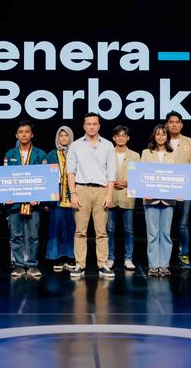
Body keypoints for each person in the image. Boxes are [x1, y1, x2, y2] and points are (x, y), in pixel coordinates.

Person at [67, 112, 116, 279]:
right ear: (84, 126)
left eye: (95, 123)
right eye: (89, 124)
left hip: (102, 190)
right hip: (81, 189)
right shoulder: (75, 145)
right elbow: (71, 172)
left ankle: (102, 264)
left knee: (101, 231)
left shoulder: (108, 145)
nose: (92, 127)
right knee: (80, 231)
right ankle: (80, 264)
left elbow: (111, 173)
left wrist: (109, 194)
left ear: (99, 125)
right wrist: (73, 194)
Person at [5, 121, 46, 279]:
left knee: (33, 236)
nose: (24, 134)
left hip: (33, 203)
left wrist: (39, 199)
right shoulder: (10, 154)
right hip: (14, 203)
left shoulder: (40, 154)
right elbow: (4, 177)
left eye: (27, 131)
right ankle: (19, 265)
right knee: (15, 236)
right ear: (16, 135)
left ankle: (32, 265)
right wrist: (6, 197)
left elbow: (45, 179)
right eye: (21, 131)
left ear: (32, 134)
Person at [165, 111, 191, 269]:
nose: (174, 125)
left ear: (181, 124)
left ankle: (183, 255)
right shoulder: (160, 139)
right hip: (164, 189)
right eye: (171, 122)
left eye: (177, 122)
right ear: (166, 124)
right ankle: (164, 258)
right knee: (165, 225)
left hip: (184, 191)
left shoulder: (190, 142)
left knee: (183, 224)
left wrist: (185, 189)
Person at [141, 124, 176, 276]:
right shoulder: (146, 153)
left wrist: (179, 192)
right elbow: (141, 175)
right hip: (151, 200)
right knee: (153, 234)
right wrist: (144, 191)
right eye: (158, 134)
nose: (161, 137)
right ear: (154, 136)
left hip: (169, 200)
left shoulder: (173, 154)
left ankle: (164, 265)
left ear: (167, 136)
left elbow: (178, 176)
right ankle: (154, 265)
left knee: (165, 234)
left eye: (163, 134)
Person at [106, 125, 140, 271]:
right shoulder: (107, 153)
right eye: (118, 135)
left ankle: (128, 258)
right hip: (110, 194)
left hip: (127, 195)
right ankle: (110, 258)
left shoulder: (135, 155)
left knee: (129, 230)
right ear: (113, 138)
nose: (121, 138)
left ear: (128, 138)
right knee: (110, 229)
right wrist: (112, 182)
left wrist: (128, 182)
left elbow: (139, 176)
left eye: (123, 135)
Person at [45, 126, 77, 272]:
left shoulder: (77, 153)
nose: (64, 138)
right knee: (56, 227)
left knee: (72, 227)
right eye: (61, 135)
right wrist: (46, 201)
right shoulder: (51, 155)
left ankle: (71, 257)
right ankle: (56, 258)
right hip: (56, 197)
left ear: (71, 137)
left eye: (66, 135)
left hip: (73, 196)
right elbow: (45, 178)